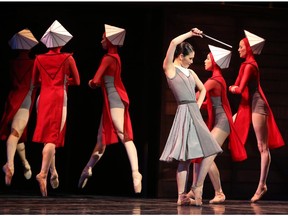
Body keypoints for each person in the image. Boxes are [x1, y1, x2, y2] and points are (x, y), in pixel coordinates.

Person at [159, 28, 223, 206]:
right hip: (184, 112)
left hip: (193, 111)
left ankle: (196, 187)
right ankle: (181, 196)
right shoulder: (171, 69)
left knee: (210, 149)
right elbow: (173, 43)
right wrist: (190, 34)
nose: (192, 61)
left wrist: (197, 103)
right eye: (190, 58)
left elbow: (202, 89)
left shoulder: (191, 73)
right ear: (181, 56)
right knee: (184, 158)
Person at [78, 24, 142, 194]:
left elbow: (96, 80)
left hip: (114, 99)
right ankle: (87, 169)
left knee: (123, 134)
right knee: (101, 141)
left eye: (103, 37)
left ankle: (136, 173)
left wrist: (90, 83)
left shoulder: (107, 58)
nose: (101, 40)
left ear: (109, 40)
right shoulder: (116, 57)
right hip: (114, 100)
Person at [228, 30, 285, 202]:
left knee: (262, 146)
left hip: (257, 103)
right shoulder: (245, 64)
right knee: (258, 144)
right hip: (250, 104)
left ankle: (262, 184)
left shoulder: (251, 65)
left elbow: (238, 88)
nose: (238, 50)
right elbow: (239, 85)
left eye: (240, 47)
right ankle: (261, 184)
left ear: (248, 48)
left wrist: (231, 88)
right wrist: (234, 87)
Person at [186, 45, 247, 204]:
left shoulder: (214, 81)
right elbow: (211, 103)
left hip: (223, 122)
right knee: (205, 154)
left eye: (207, 58)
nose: (205, 61)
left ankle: (197, 188)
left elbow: (198, 95)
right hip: (220, 121)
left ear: (214, 61)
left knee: (207, 153)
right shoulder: (217, 79)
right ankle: (216, 192)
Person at [32, 20, 80, 197]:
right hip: (59, 98)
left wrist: (47, 81)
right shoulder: (68, 58)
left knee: (48, 137)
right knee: (53, 137)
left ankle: (53, 171)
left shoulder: (38, 58)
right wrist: (66, 81)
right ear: (62, 41)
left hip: (42, 98)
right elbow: (78, 81)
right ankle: (42, 173)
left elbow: (35, 81)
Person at [0, 29, 39, 186]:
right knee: (16, 133)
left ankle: (24, 164)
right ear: (29, 46)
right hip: (24, 100)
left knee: (18, 134)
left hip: (12, 99)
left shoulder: (11, 63)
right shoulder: (34, 62)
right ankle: (10, 165)